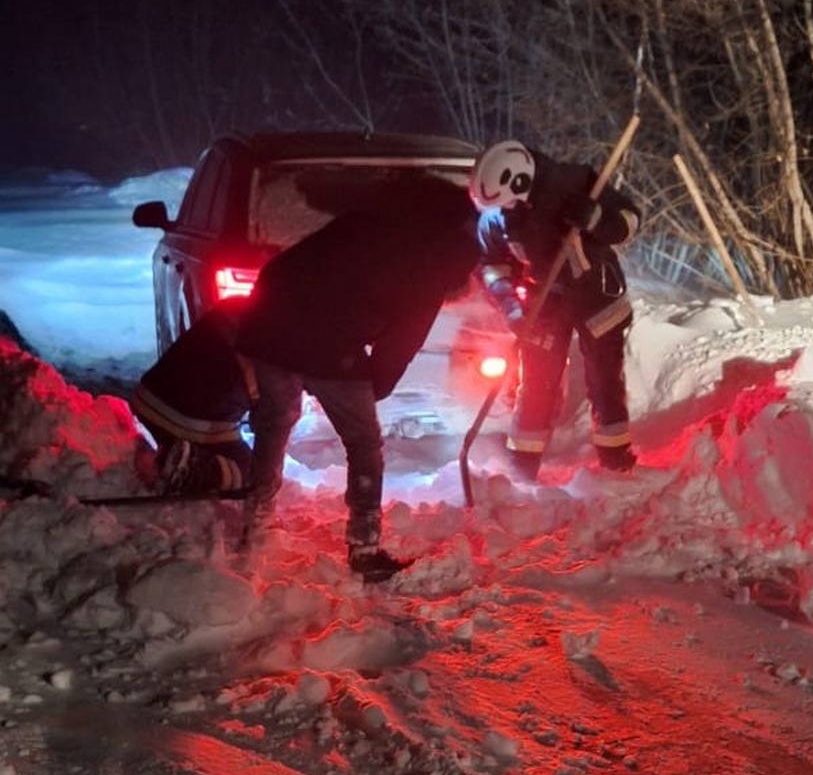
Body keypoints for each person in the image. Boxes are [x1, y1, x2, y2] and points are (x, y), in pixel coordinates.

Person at [234, 173, 480, 581]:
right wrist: (373, 385)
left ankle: (254, 521)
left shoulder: (371, 220)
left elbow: (302, 269)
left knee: (275, 421)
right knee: (364, 442)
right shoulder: (433, 265)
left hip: (269, 311)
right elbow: (402, 342)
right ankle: (364, 548)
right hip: (324, 335)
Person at [470, 138, 641, 480]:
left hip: (596, 298)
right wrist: (511, 308)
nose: (506, 212)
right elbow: (492, 266)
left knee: (604, 379)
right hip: (543, 306)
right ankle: (521, 467)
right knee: (536, 384)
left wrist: (596, 219)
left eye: (508, 204)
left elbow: (629, 220)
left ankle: (616, 459)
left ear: (520, 180)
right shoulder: (496, 218)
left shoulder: (575, 182)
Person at [130, 300, 255, 495]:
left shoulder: (251, 307)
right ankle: (181, 465)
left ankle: (171, 450)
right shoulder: (291, 345)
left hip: (150, 394)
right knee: (251, 469)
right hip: (190, 414)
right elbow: (275, 419)